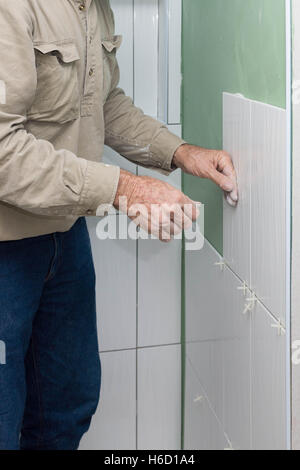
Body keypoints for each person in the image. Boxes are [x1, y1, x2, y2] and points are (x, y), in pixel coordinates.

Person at [0, 0, 237, 450]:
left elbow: (104, 105)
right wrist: (125, 189)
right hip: (6, 247)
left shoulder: (96, 9)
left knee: (66, 407)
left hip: (62, 236)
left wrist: (181, 152)